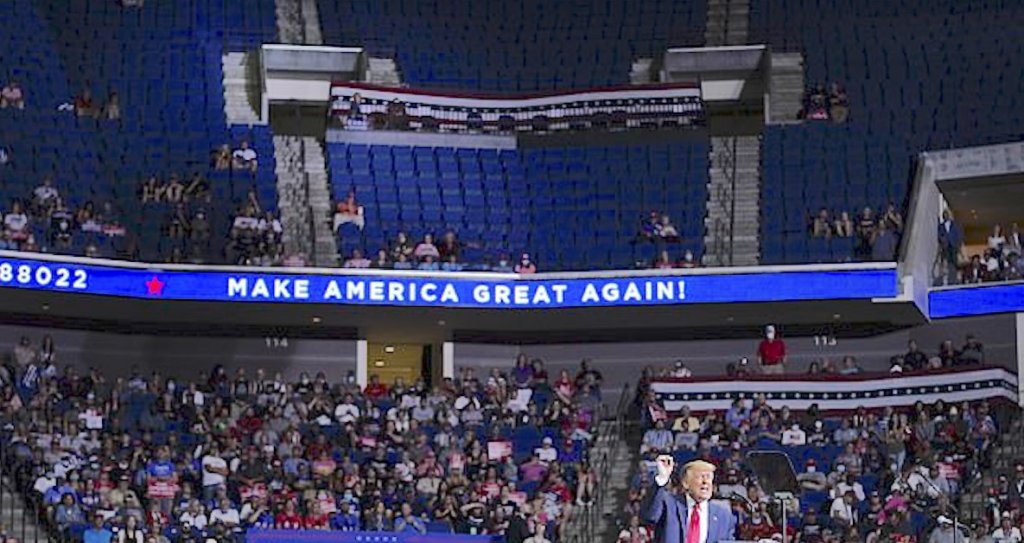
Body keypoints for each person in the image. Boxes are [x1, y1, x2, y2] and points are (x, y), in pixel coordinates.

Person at [643, 457, 735, 543]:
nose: (705, 482)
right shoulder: (669, 504)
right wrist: (662, 479)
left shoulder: (724, 516)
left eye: (709, 477)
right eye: (700, 477)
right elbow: (650, 516)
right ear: (686, 483)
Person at [937, 210, 963, 285]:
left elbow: (958, 235)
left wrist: (958, 245)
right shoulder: (941, 226)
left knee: (954, 263)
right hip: (946, 247)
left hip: (953, 246)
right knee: (947, 263)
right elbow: (939, 235)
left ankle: (955, 278)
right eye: (944, 215)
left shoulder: (954, 225)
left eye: (946, 214)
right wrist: (943, 240)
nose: (945, 216)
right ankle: (948, 278)